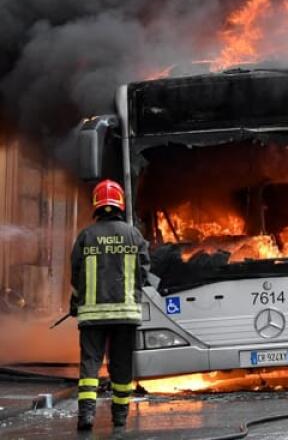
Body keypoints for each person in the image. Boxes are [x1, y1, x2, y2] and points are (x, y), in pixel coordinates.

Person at [71, 179, 150, 431]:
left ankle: (86, 416)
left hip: (92, 316)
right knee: (121, 365)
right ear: (120, 204)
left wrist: (75, 302)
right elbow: (145, 272)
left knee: (90, 363)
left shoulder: (86, 235)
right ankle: (119, 417)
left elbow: (75, 275)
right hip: (126, 314)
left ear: (96, 204)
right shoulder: (133, 234)